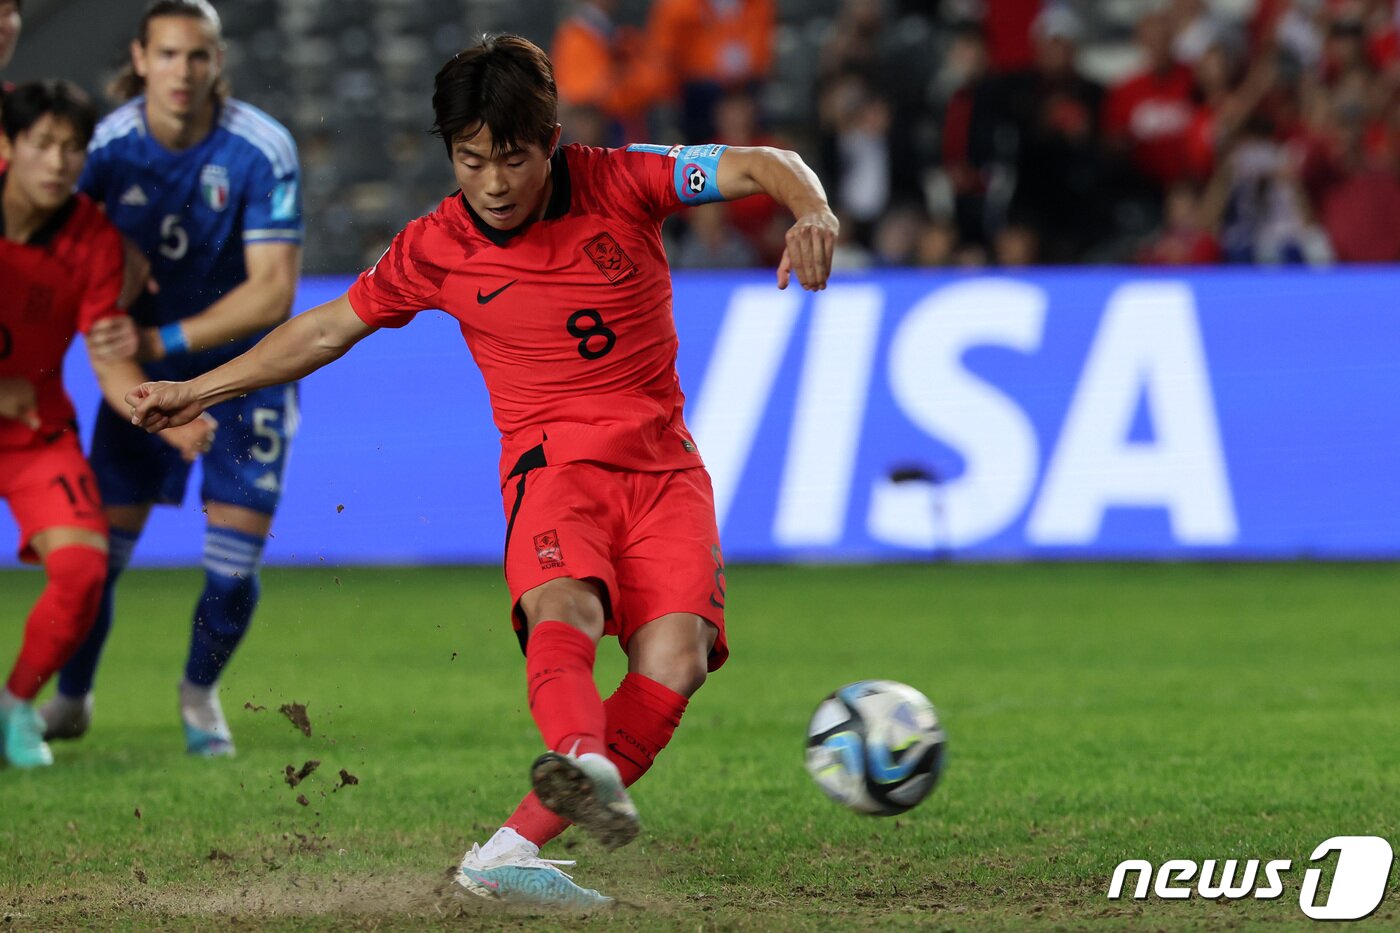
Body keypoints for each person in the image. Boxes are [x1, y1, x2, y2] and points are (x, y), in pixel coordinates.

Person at [123, 34, 836, 908]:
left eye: (513, 159)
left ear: (553, 140)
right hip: (553, 469)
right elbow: (323, 330)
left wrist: (814, 211)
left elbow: (768, 161)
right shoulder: (436, 244)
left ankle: (504, 851)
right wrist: (201, 388)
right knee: (565, 603)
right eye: (470, 160)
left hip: (663, 470)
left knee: (678, 658)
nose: (493, 183)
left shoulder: (625, 179)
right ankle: (582, 758)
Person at [39, 0, 303, 758]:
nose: (183, 72)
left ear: (218, 61)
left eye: (198, 56)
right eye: (168, 55)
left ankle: (198, 694)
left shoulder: (262, 147)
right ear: (140, 57)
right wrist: (128, 338)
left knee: (231, 564)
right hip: (142, 379)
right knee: (97, 561)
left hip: (249, 375)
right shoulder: (105, 150)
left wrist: (162, 335)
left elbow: (273, 293)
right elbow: (79, 273)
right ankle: (72, 699)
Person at [0, 79, 213, 768]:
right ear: (8, 146)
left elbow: (108, 355)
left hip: (35, 432)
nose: (59, 163)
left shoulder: (93, 238)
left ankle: (13, 709)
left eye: (71, 148)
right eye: (42, 146)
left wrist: (160, 411)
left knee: (85, 570)